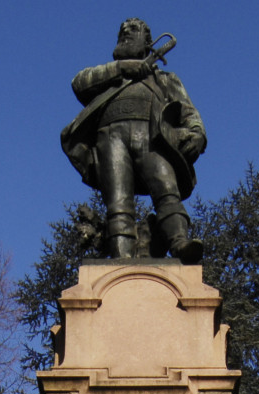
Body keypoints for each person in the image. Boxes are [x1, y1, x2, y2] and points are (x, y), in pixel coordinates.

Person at [61, 18, 207, 262]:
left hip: (153, 138)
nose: (126, 32)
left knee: (166, 188)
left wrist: (197, 134)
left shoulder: (165, 79)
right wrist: (123, 68)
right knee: (118, 201)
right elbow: (79, 83)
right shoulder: (108, 76)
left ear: (148, 42)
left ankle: (180, 243)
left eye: (133, 30)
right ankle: (121, 255)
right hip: (110, 138)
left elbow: (189, 112)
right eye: (122, 31)